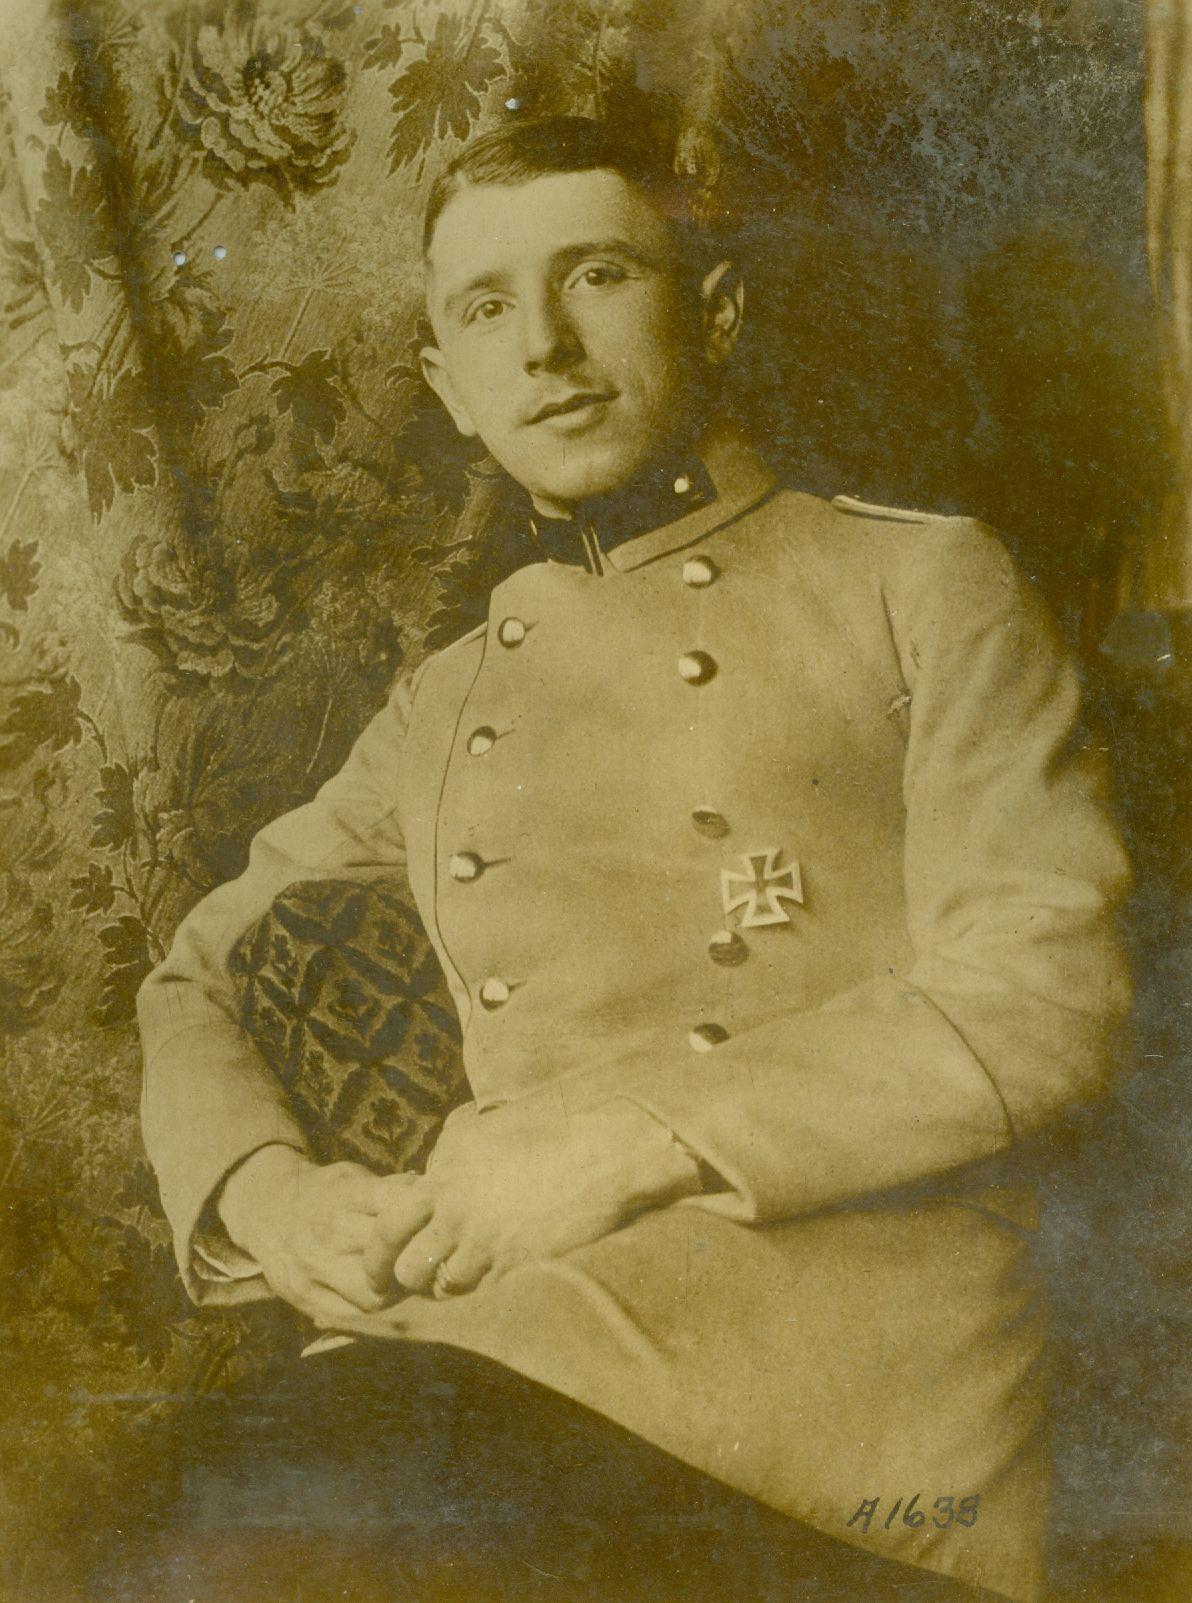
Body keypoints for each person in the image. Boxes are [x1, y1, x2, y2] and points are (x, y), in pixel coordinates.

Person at [132, 115, 1131, 1603]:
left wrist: (622, 1146)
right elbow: (194, 974)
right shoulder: (447, 696)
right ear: (449, 389)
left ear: (713, 314)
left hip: (833, 1370)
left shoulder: (921, 580)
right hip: (504, 1322)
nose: (544, 346)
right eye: (486, 308)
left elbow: (1046, 995)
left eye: (597, 274)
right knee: (155, 1511)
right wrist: (273, 1201)